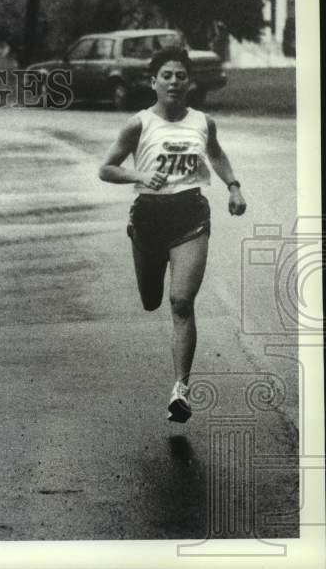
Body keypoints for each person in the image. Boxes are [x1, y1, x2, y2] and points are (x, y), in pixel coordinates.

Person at [98, 47, 247, 423]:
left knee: (181, 301)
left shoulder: (202, 122)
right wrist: (140, 176)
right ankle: (141, 247)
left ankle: (180, 389)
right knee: (151, 300)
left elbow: (216, 153)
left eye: (181, 76)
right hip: (148, 217)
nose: (174, 82)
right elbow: (106, 169)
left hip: (190, 216)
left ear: (190, 82)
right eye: (167, 75)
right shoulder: (139, 124)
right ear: (153, 82)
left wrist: (233, 186)